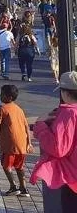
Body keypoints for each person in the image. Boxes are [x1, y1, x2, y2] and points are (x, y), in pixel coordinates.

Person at [31, 71, 77, 209]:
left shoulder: (69, 113)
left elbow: (59, 148)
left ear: (65, 93)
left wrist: (40, 127)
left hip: (72, 178)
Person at [0, 84, 33, 197]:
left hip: (9, 144)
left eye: (2, 94)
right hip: (22, 143)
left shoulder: (2, 108)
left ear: (9, 97)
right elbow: (26, 126)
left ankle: (13, 186)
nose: (0, 96)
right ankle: (23, 188)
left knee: (6, 165)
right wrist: (29, 143)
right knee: (19, 166)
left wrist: (1, 133)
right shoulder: (19, 109)